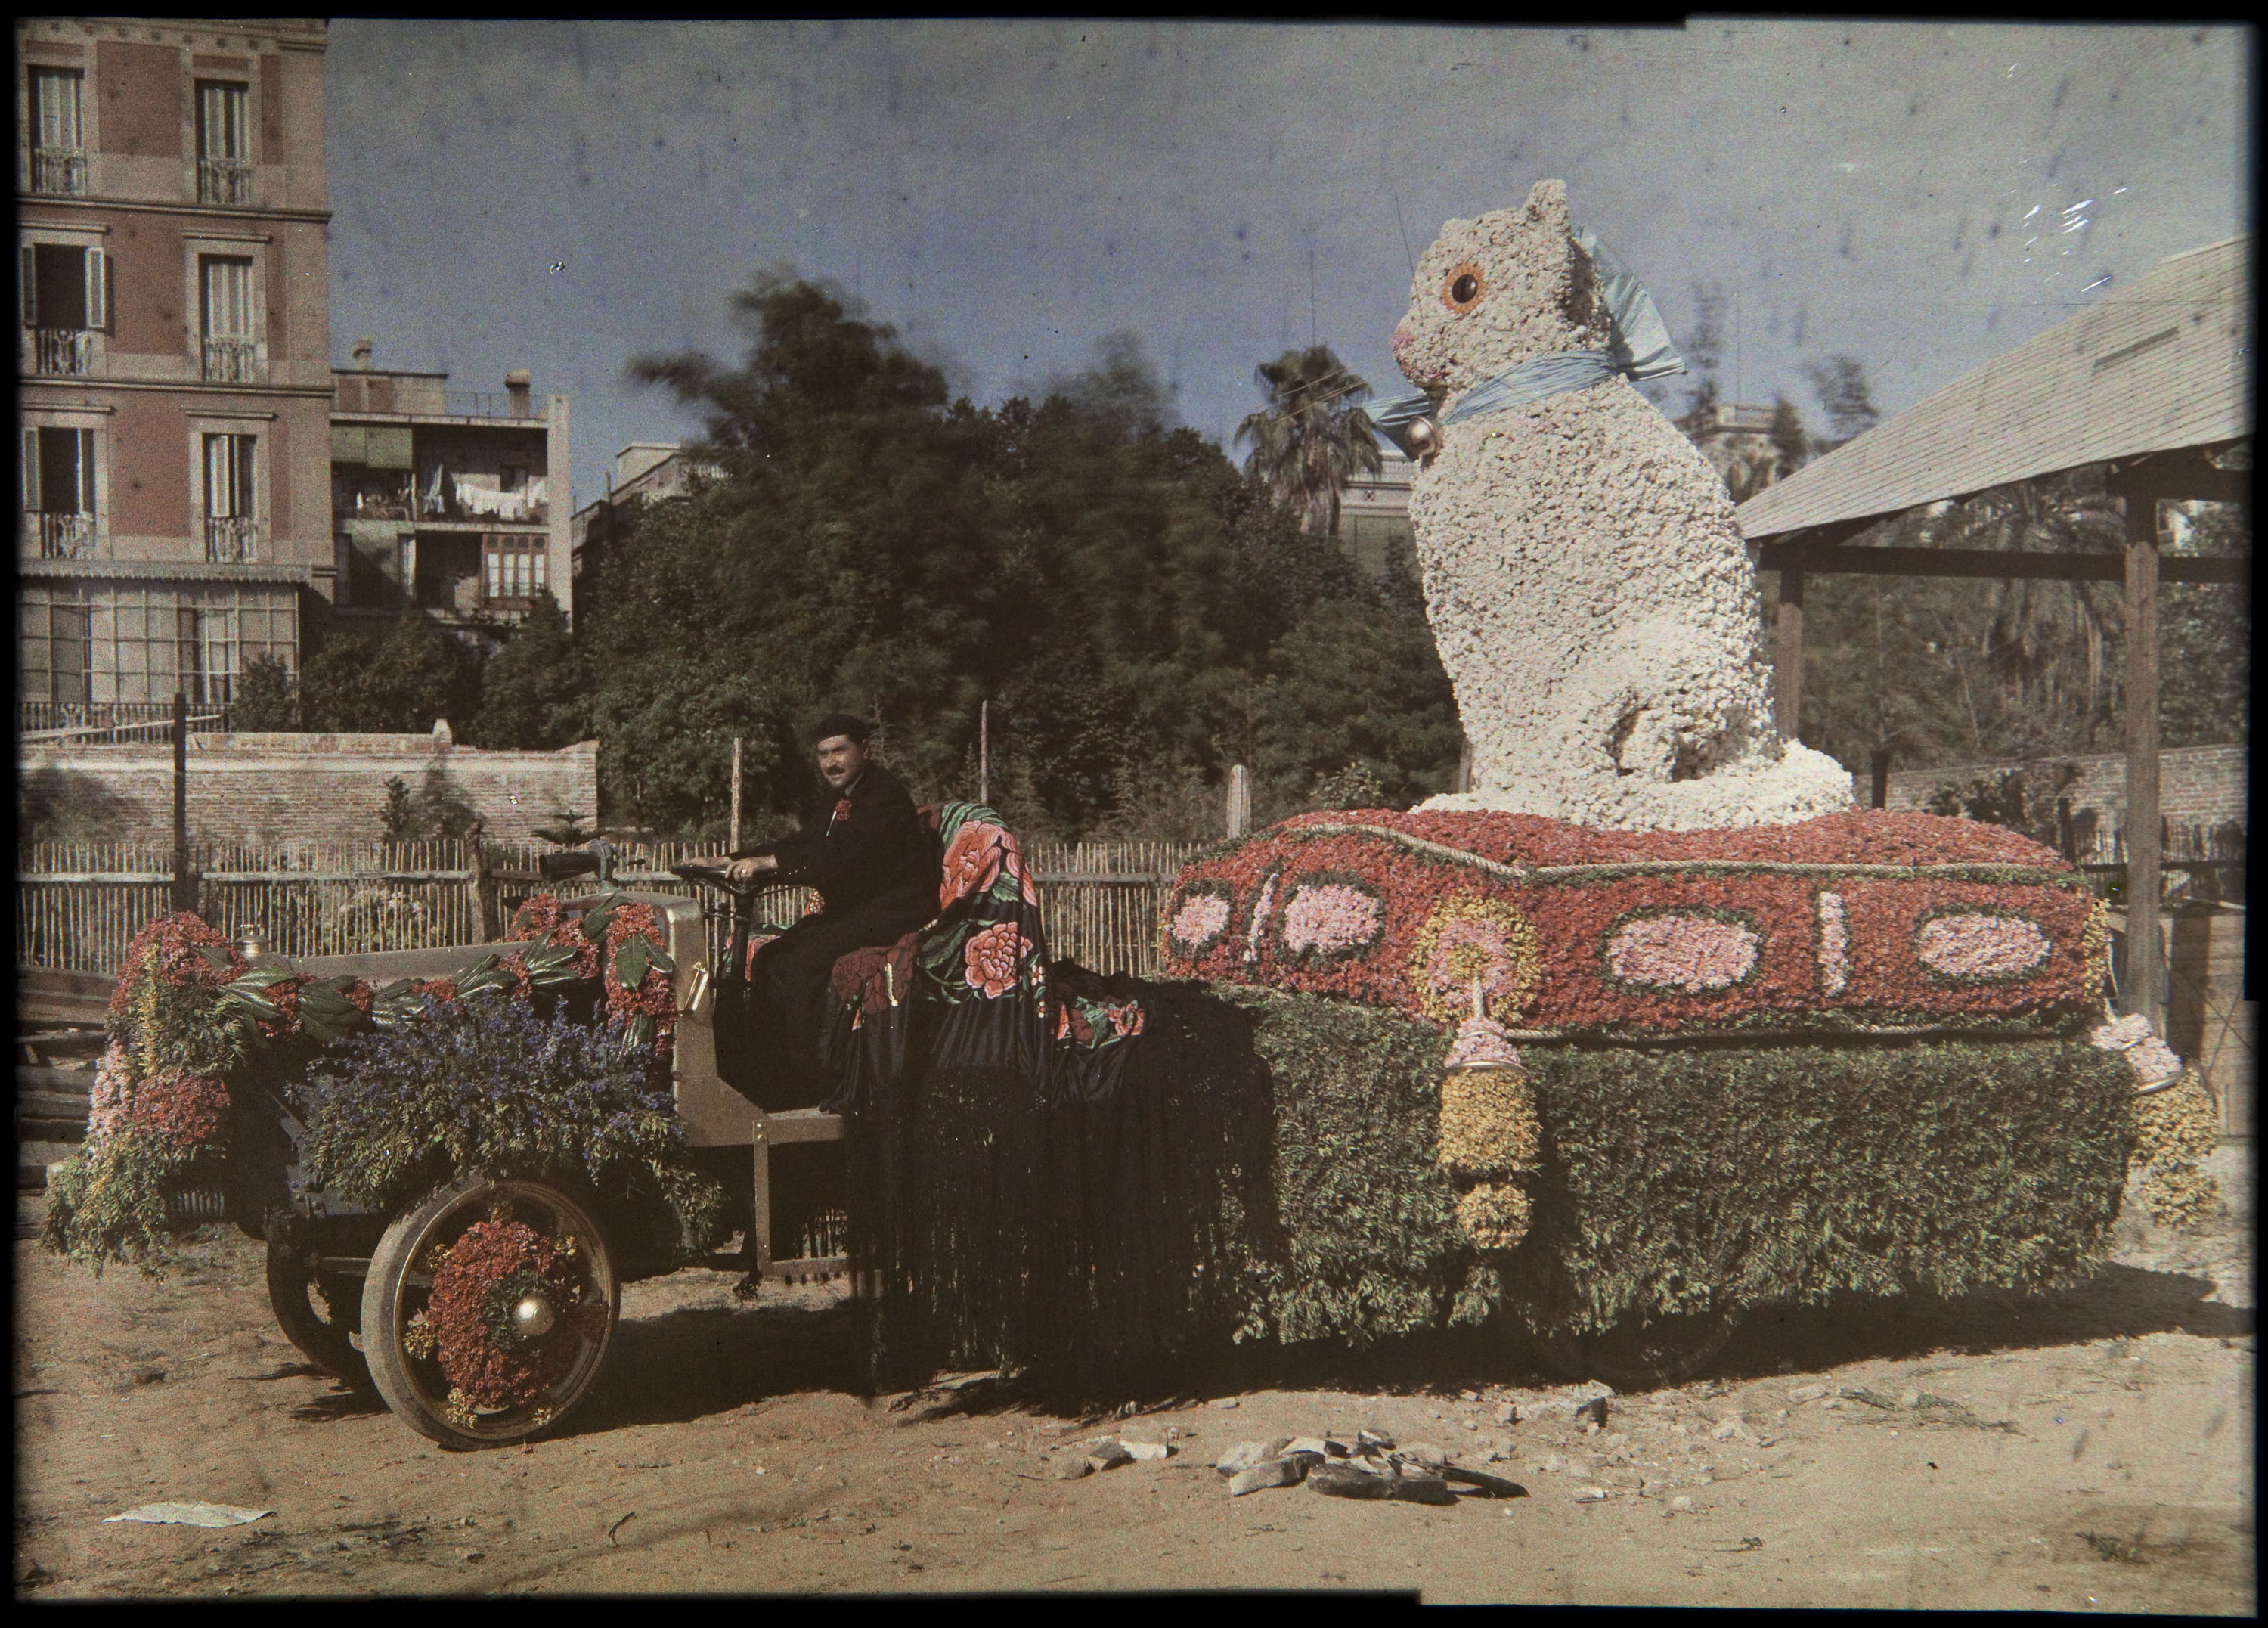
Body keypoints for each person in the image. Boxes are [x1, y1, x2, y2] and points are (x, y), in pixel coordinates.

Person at [723, 714, 940, 1103]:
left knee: (803, 963)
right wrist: (731, 859)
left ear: (865, 751)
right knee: (771, 957)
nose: (830, 763)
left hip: (894, 910)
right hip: (857, 910)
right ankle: (757, 1074)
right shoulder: (838, 798)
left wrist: (771, 865)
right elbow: (806, 842)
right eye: (823, 754)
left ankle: (804, 1084)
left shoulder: (883, 795)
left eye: (840, 750)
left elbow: (842, 856)